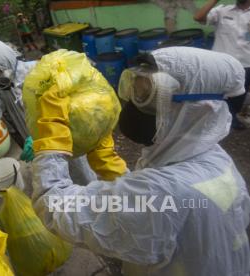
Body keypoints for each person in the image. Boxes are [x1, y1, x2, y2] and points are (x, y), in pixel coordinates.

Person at [30, 47, 250, 275]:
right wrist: (115, 172)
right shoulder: (218, 161)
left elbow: (53, 206)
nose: (133, 102)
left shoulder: (163, 192)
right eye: (134, 87)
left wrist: (52, 144)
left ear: (198, 109)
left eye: (147, 96)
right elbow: (167, 214)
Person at [0, 40, 127, 182]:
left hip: (61, 135)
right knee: (52, 176)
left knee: (80, 173)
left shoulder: (40, 71)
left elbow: (69, 105)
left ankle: (89, 202)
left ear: (11, 66)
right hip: (33, 143)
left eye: (1, 78)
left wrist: (42, 136)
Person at [194, 0, 250, 129]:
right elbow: (198, 17)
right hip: (221, 64)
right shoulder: (222, 10)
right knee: (216, 94)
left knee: (239, 95)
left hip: (246, 64)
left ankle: (230, 120)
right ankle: (213, 121)